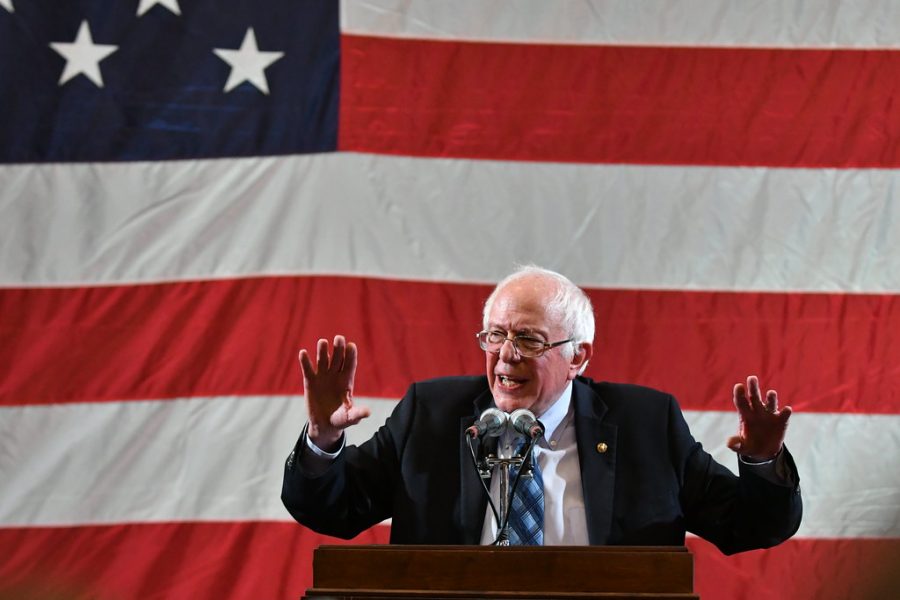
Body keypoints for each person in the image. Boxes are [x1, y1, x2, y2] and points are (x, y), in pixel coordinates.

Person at [281, 266, 801, 553]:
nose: (506, 355)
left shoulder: (647, 425)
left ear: (579, 355)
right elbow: (333, 510)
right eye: (496, 336)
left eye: (528, 339)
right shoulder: (432, 415)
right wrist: (323, 441)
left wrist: (761, 461)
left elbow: (750, 527)